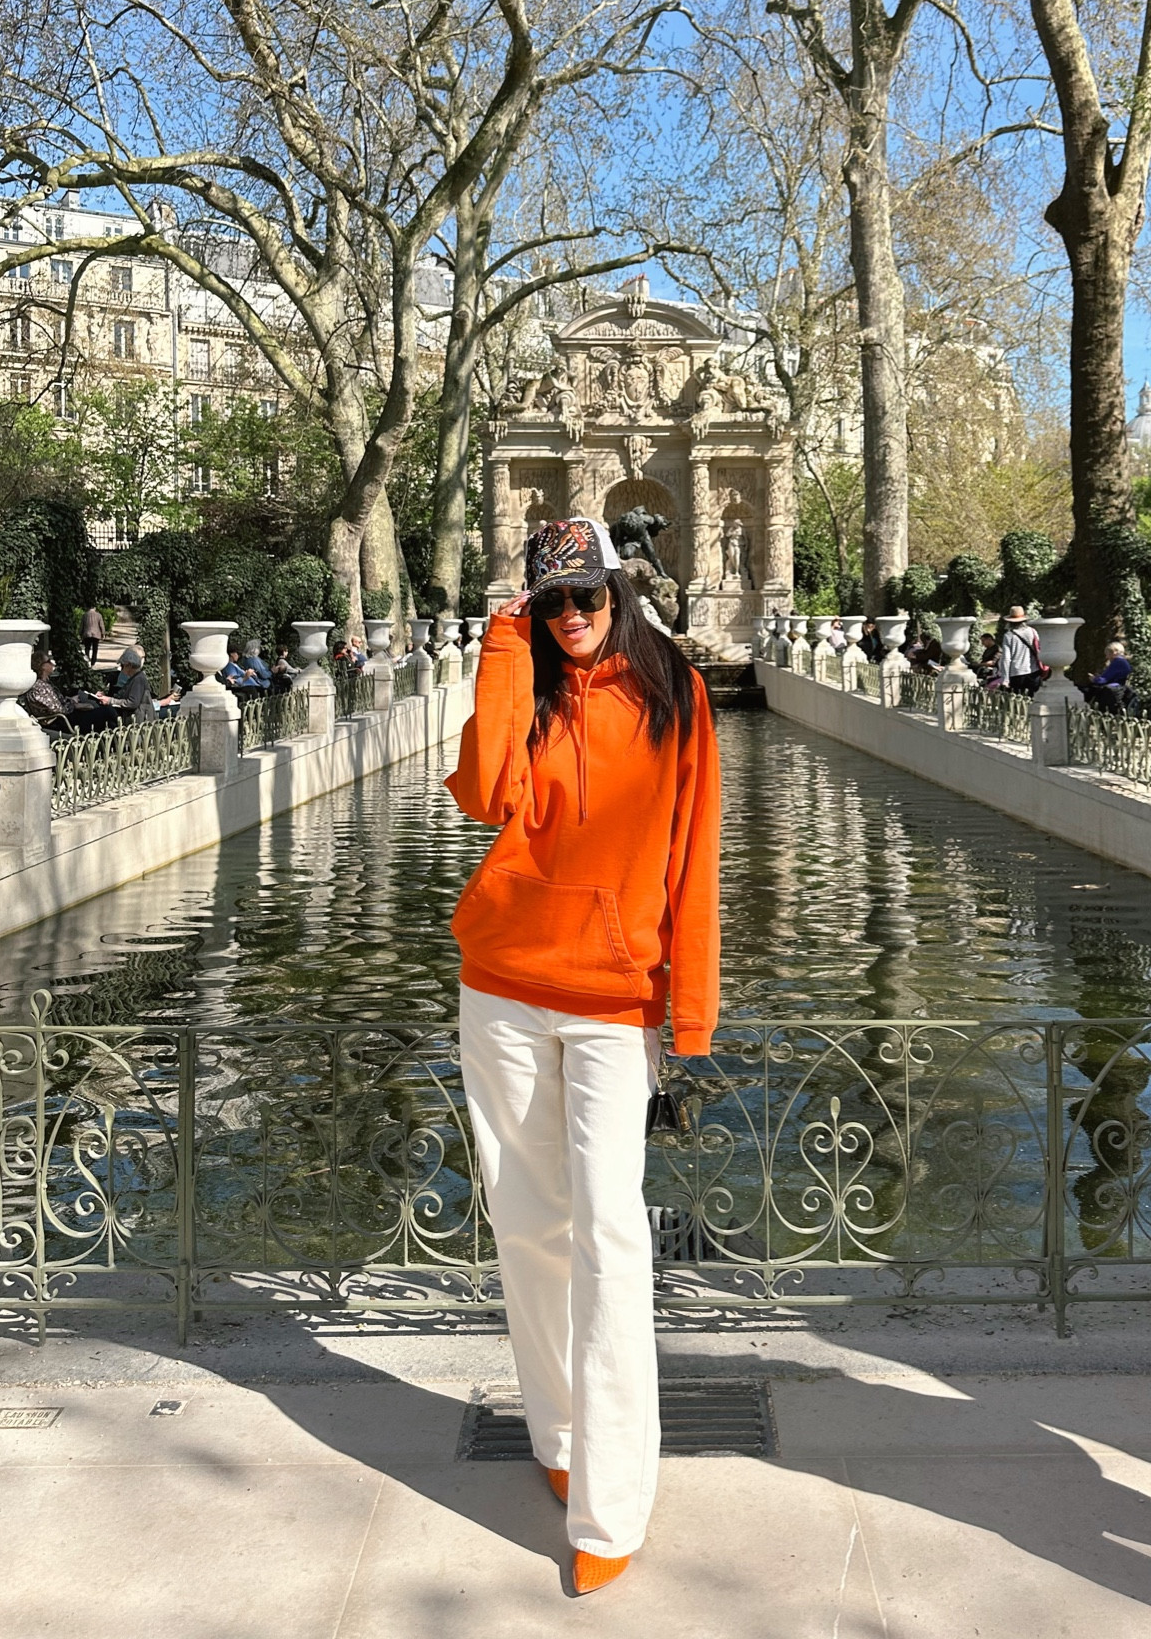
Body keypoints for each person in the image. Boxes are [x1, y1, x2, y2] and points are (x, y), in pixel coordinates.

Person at [445, 516, 720, 1599]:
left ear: (619, 590)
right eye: (550, 601)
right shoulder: (533, 683)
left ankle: (613, 1501)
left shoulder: (675, 695)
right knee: (525, 1221)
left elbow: (695, 856)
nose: (571, 617)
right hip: (503, 983)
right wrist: (502, 647)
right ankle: (556, 1437)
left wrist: (688, 1013)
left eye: (586, 596)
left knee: (609, 1233)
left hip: (613, 998)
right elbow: (483, 793)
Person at [19, 647, 73, 735]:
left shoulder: (46, 683)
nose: (52, 664)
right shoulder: (38, 687)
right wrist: (74, 704)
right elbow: (58, 709)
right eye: (49, 661)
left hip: (63, 717)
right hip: (58, 722)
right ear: (42, 666)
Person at [996, 606, 1044, 695]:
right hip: (1033, 671)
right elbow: (1039, 648)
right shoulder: (1032, 631)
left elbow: (1006, 658)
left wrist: (1005, 679)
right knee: (1034, 699)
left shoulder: (1008, 636)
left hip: (1016, 673)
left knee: (1018, 699)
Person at [1086, 641, 1132, 714]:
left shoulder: (1118, 662)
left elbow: (1104, 679)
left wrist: (1094, 679)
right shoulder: (1123, 662)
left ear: (1114, 652)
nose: (1107, 657)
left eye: (1108, 654)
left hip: (1113, 689)